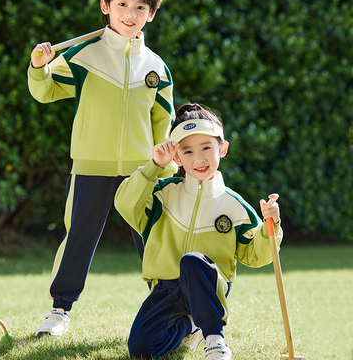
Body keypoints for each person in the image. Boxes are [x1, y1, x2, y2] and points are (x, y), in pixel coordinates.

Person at [27, 0, 176, 337]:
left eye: (140, 7)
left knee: (154, 241)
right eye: (122, 4)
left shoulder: (157, 67)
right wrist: (38, 66)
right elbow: (45, 91)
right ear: (105, 6)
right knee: (78, 237)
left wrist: (167, 170)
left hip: (143, 171)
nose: (131, 14)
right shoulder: (81, 55)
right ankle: (59, 310)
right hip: (91, 165)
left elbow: (163, 125)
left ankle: (170, 309)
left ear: (151, 14)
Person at [114, 103, 283, 360]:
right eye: (188, 151)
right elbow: (124, 203)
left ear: (222, 148)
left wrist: (271, 226)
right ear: (177, 158)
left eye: (206, 148)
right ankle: (190, 326)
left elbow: (256, 256)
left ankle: (214, 340)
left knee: (192, 261)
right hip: (166, 288)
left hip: (209, 287)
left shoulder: (235, 205)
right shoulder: (162, 192)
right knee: (141, 349)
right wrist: (153, 166)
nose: (199, 158)